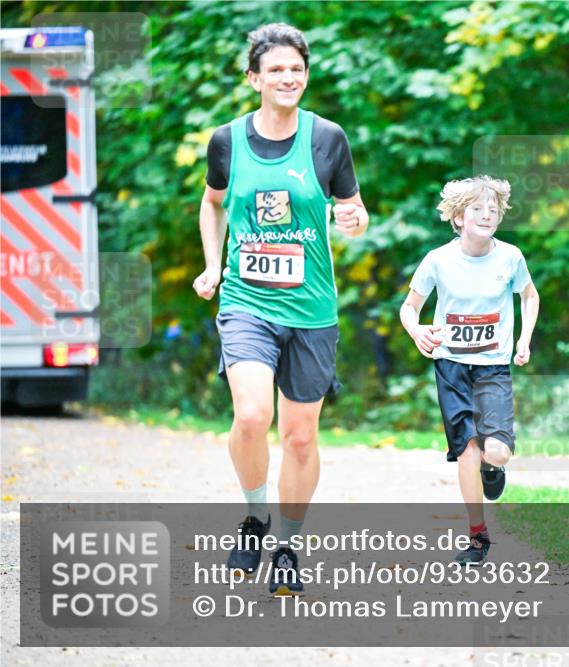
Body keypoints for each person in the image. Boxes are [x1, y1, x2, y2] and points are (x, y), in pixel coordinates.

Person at [192, 23, 368, 596]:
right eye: (275, 70)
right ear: (254, 79)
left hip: (312, 309)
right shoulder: (227, 141)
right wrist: (214, 266)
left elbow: (354, 210)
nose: (287, 78)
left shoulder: (327, 139)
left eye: (296, 69)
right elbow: (212, 204)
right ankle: (253, 516)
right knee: (249, 417)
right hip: (247, 301)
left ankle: (288, 542)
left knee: (299, 437)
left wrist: (355, 221)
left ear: (306, 75)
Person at [399, 175, 540, 565]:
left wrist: (524, 339)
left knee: (495, 452)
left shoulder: (510, 258)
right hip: (451, 366)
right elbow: (409, 307)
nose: (487, 215)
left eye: (493, 210)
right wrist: (416, 332)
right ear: (459, 217)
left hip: (493, 366)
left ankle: (493, 471)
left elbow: (530, 296)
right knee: (467, 451)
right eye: (477, 209)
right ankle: (478, 537)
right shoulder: (438, 260)